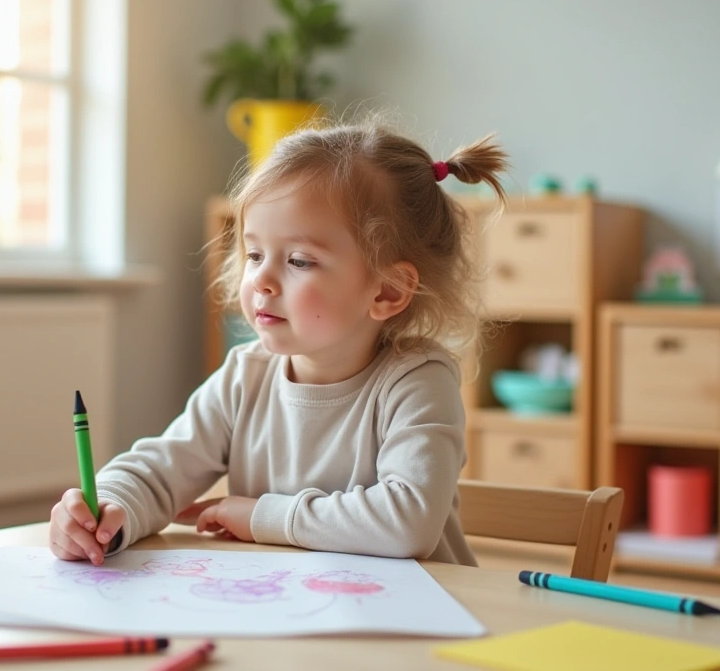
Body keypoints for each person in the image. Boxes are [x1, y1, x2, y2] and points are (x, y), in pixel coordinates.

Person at [49, 119, 508, 567]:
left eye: (299, 260)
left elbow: (408, 522)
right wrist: (109, 508)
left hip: (409, 627)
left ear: (387, 290)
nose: (261, 280)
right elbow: (160, 469)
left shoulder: (417, 382)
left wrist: (262, 517)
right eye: (253, 254)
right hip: (286, 616)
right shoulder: (245, 375)